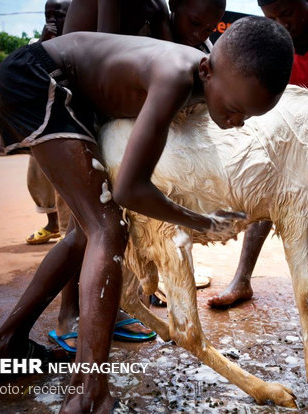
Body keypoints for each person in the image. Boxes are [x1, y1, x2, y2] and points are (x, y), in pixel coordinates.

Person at [0, 16, 294, 413]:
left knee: (87, 233)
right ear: (206, 68)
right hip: (39, 79)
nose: (236, 121)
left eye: (248, 117)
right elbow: (131, 190)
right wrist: (203, 221)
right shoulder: (174, 75)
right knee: (107, 229)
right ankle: (88, 392)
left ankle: (5, 344)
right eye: (234, 109)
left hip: (63, 89)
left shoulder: (210, 78)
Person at [49, 0, 227, 352]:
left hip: (104, 105)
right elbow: (105, 48)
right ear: (180, 6)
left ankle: (109, 308)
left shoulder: (159, 12)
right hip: (72, 102)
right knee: (89, 225)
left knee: (115, 222)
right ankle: (69, 315)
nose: (198, 35)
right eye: (195, 24)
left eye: (208, 31)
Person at [208, 0, 308, 308]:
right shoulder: (274, 46)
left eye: (287, 12)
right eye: (273, 17)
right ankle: (241, 280)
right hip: (296, 123)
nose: (283, 23)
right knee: (270, 191)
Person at [25, 0, 72, 245]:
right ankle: (53, 225)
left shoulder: (79, 42)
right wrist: (44, 44)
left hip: (71, 122)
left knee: (67, 181)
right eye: (48, 14)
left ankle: (67, 235)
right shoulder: (36, 45)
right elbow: (28, 76)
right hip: (45, 121)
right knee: (39, 175)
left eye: (59, 14)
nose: (52, 19)